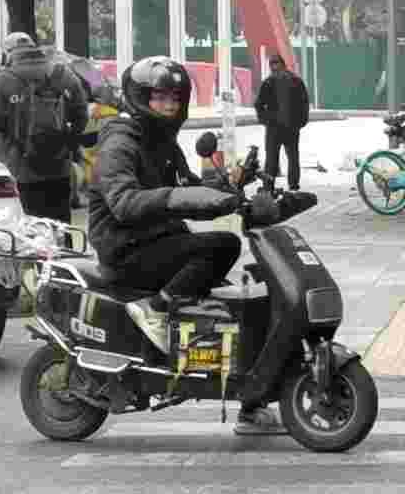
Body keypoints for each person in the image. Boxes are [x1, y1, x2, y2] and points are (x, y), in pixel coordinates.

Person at [85, 55, 275, 439]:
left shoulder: (164, 143)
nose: (169, 105)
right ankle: (154, 309)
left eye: (175, 98)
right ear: (140, 98)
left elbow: (189, 189)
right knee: (221, 246)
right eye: (160, 98)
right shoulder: (120, 141)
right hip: (126, 249)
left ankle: (249, 396)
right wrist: (175, 197)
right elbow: (124, 203)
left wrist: (232, 187)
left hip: (157, 240)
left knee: (231, 299)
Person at [0, 31, 86, 233]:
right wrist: (66, 144)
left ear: (8, 53)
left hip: (22, 170)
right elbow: (82, 116)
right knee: (60, 226)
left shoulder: (2, 81)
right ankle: (61, 252)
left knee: (29, 229)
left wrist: (4, 165)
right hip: (60, 168)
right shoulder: (63, 74)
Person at [253, 50, 310, 194]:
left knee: (273, 159)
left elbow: (258, 104)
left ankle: (270, 187)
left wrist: (265, 120)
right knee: (291, 157)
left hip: (276, 128)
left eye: (274, 64)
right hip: (288, 127)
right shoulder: (295, 80)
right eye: (273, 64)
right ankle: (292, 186)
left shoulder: (269, 81)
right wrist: (301, 122)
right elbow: (304, 103)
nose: (274, 67)